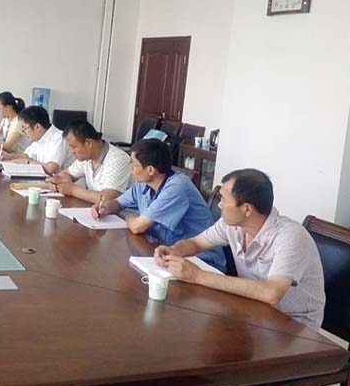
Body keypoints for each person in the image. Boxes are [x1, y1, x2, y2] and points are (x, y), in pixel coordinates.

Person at [154, 169, 325, 330]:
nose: (219, 205)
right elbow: (196, 243)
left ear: (247, 209)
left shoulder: (290, 236)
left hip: (293, 327)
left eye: (224, 200)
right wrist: (173, 250)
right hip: (253, 311)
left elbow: (272, 292)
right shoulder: (232, 225)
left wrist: (198, 276)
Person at [92, 138, 225, 271]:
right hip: (166, 252)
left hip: (201, 261)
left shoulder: (176, 187)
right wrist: (105, 207)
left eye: (133, 164)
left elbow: (137, 227)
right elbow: (118, 203)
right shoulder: (143, 184)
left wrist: (128, 217)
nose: (130, 168)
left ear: (150, 170)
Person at [47, 119, 131, 203]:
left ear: (88, 143)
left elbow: (107, 199)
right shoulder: (87, 158)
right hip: (95, 208)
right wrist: (60, 182)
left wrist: (71, 189)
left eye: (73, 147)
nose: (71, 152)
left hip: (123, 211)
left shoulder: (117, 159)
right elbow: (67, 173)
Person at [0, 106, 69, 175]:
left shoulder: (59, 138)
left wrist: (27, 162)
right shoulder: (39, 137)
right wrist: (8, 156)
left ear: (37, 127)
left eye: (25, 128)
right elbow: (27, 155)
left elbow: (51, 169)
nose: (24, 132)